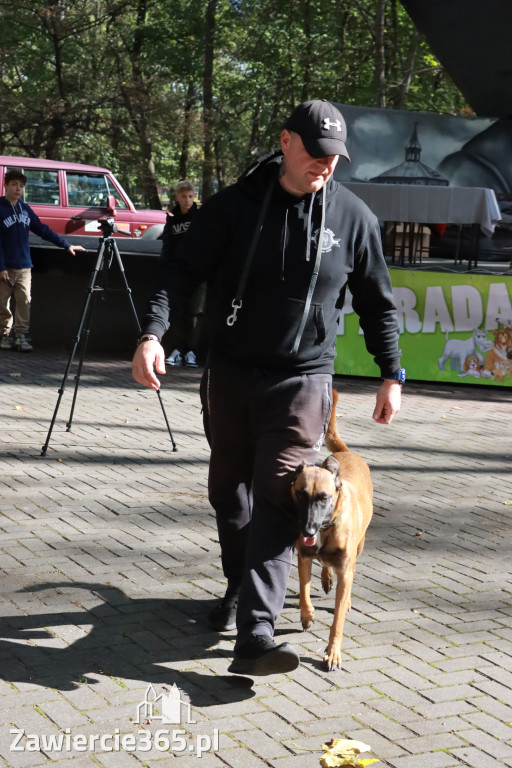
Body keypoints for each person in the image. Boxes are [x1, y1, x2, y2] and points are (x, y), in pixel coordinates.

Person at [132, 100, 404, 676]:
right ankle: (239, 584)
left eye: (336, 157)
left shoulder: (353, 217)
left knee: (284, 493)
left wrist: (390, 372)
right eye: (316, 152)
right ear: (286, 142)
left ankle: (256, 634)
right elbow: (179, 271)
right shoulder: (233, 208)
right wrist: (153, 334)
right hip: (229, 373)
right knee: (229, 493)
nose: (326, 165)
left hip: (304, 380)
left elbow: (379, 301)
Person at [0, 168, 85, 351]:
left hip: (24, 265)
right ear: (5, 185)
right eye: (14, 185)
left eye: (21, 186)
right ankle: (3, 334)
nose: (18, 189)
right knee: (2, 302)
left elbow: (42, 230)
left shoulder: (25, 209)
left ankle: (21, 336)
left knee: (24, 301)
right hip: (5, 266)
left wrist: (66, 244)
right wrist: (1, 266)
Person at [160, 180, 204, 368]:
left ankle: (192, 351)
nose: (187, 200)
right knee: (177, 312)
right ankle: (177, 349)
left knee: (196, 312)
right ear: (177, 197)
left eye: (190, 196)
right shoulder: (172, 221)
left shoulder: (201, 218)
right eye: (183, 196)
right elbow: (167, 248)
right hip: (178, 273)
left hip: (199, 272)